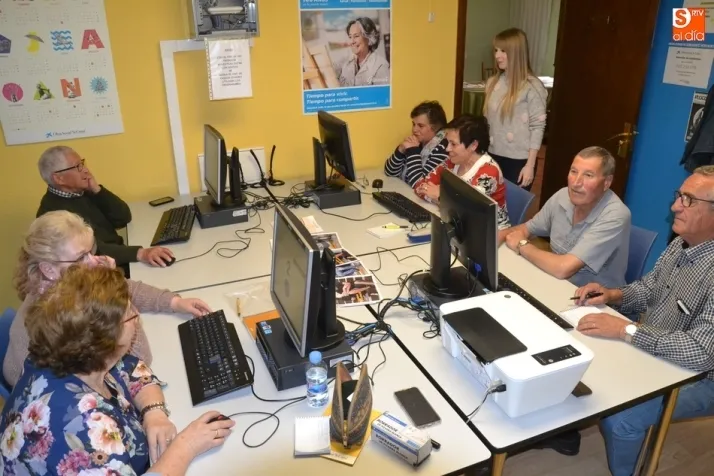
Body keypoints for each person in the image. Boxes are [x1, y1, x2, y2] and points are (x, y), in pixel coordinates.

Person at [0, 265, 235, 474]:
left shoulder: (67, 352)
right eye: (129, 314)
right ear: (105, 342)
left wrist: (153, 412)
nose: (137, 315)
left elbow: (133, 368)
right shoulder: (82, 429)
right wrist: (186, 446)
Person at [573, 165, 714, 476]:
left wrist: (626, 330)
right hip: (658, 351)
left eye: (688, 200)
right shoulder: (681, 243)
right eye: (679, 196)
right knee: (580, 354)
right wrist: (612, 294)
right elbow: (650, 289)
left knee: (621, 417)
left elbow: (701, 353)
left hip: (704, 378)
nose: (674, 206)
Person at [3, 210, 211, 388]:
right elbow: (138, 360)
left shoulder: (64, 284)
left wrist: (174, 302)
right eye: (81, 257)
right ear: (48, 269)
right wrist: (115, 292)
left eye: (91, 251)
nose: (93, 261)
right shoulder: (61, 316)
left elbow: (131, 288)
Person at [500, 146, 631, 288]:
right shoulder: (563, 196)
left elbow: (563, 269)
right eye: (574, 172)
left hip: (590, 296)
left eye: (588, 175)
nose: (576, 183)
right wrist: (493, 239)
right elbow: (526, 229)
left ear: (607, 182)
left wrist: (522, 245)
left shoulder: (616, 216)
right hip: (555, 282)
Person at [36, 145, 174, 275]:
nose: (85, 170)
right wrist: (141, 253)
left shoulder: (83, 192)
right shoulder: (52, 215)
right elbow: (92, 250)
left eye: (82, 163)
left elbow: (123, 217)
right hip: (103, 273)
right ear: (59, 178)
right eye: (77, 167)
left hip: (119, 257)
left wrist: (97, 190)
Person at [413, 114, 511, 230]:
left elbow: (466, 214)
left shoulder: (488, 172)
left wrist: (440, 196)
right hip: (459, 227)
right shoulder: (452, 161)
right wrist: (442, 199)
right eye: (447, 142)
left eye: (453, 144)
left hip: (490, 233)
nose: (447, 149)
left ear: (473, 145)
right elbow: (420, 186)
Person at [483, 28, 548, 191]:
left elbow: (537, 127)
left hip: (519, 161)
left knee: (511, 206)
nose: (497, 56)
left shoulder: (532, 86)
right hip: (492, 156)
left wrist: (530, 166)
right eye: (496, 50)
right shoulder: (492, 83)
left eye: (503, 51)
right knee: (489, 204)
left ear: (517, 53)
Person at [384, 101, 449, 188]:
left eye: (420, 126)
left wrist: (413, 151)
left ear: (435, 128)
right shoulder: (418, 141)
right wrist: (401, 149)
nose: (414, 129)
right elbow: (390, 172)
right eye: (413, 124)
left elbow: (420, 185)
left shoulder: (444, 148)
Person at [336, 17, 390, 87]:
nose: (352, 41)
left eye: (356, 36)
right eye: (350, 37)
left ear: (369, 38)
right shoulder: (345, 62)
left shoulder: (380, 66)